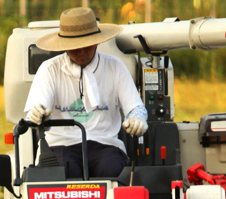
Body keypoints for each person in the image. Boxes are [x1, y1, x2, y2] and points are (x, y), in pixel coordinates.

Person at [24, 7, 148, 179]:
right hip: (60, 144)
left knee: (112, 169)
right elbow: (35, 111)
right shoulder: (49, 70)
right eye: (74, 47)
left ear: (97, 41)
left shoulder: (115, 67)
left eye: (86, 45)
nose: (81, 51)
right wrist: (39, 115)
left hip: (105, 143)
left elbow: (136, 108)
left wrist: (137, 119)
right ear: (64, 46)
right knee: (64, 171)